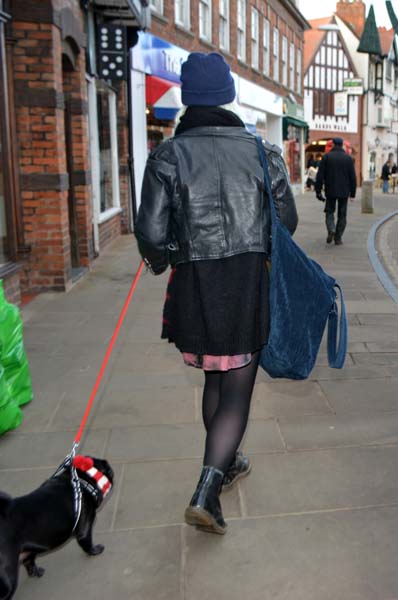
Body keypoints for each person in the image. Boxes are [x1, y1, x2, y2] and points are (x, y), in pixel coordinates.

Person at [135, 52, 298, 535]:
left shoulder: (168, 154)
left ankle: (224, 463)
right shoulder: (261, 151)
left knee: (213, 378)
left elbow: (150, 230)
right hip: (247, 279)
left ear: (189, 99)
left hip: (195, 283)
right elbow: (285, 222)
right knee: (238, 388)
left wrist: (163, 257)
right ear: (228, 95)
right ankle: (208, 488)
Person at [315, 137, 357, 245]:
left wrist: (318, 191)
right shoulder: (348, 158)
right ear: (342, 145)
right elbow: (353, 177)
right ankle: (338, 238)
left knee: (329, 211)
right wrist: (353, 193)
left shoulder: (327, 157)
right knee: (342, 215)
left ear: (333, 144)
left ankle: (331, 229)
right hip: (344, 191)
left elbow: (320, 176)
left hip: (330, 189)